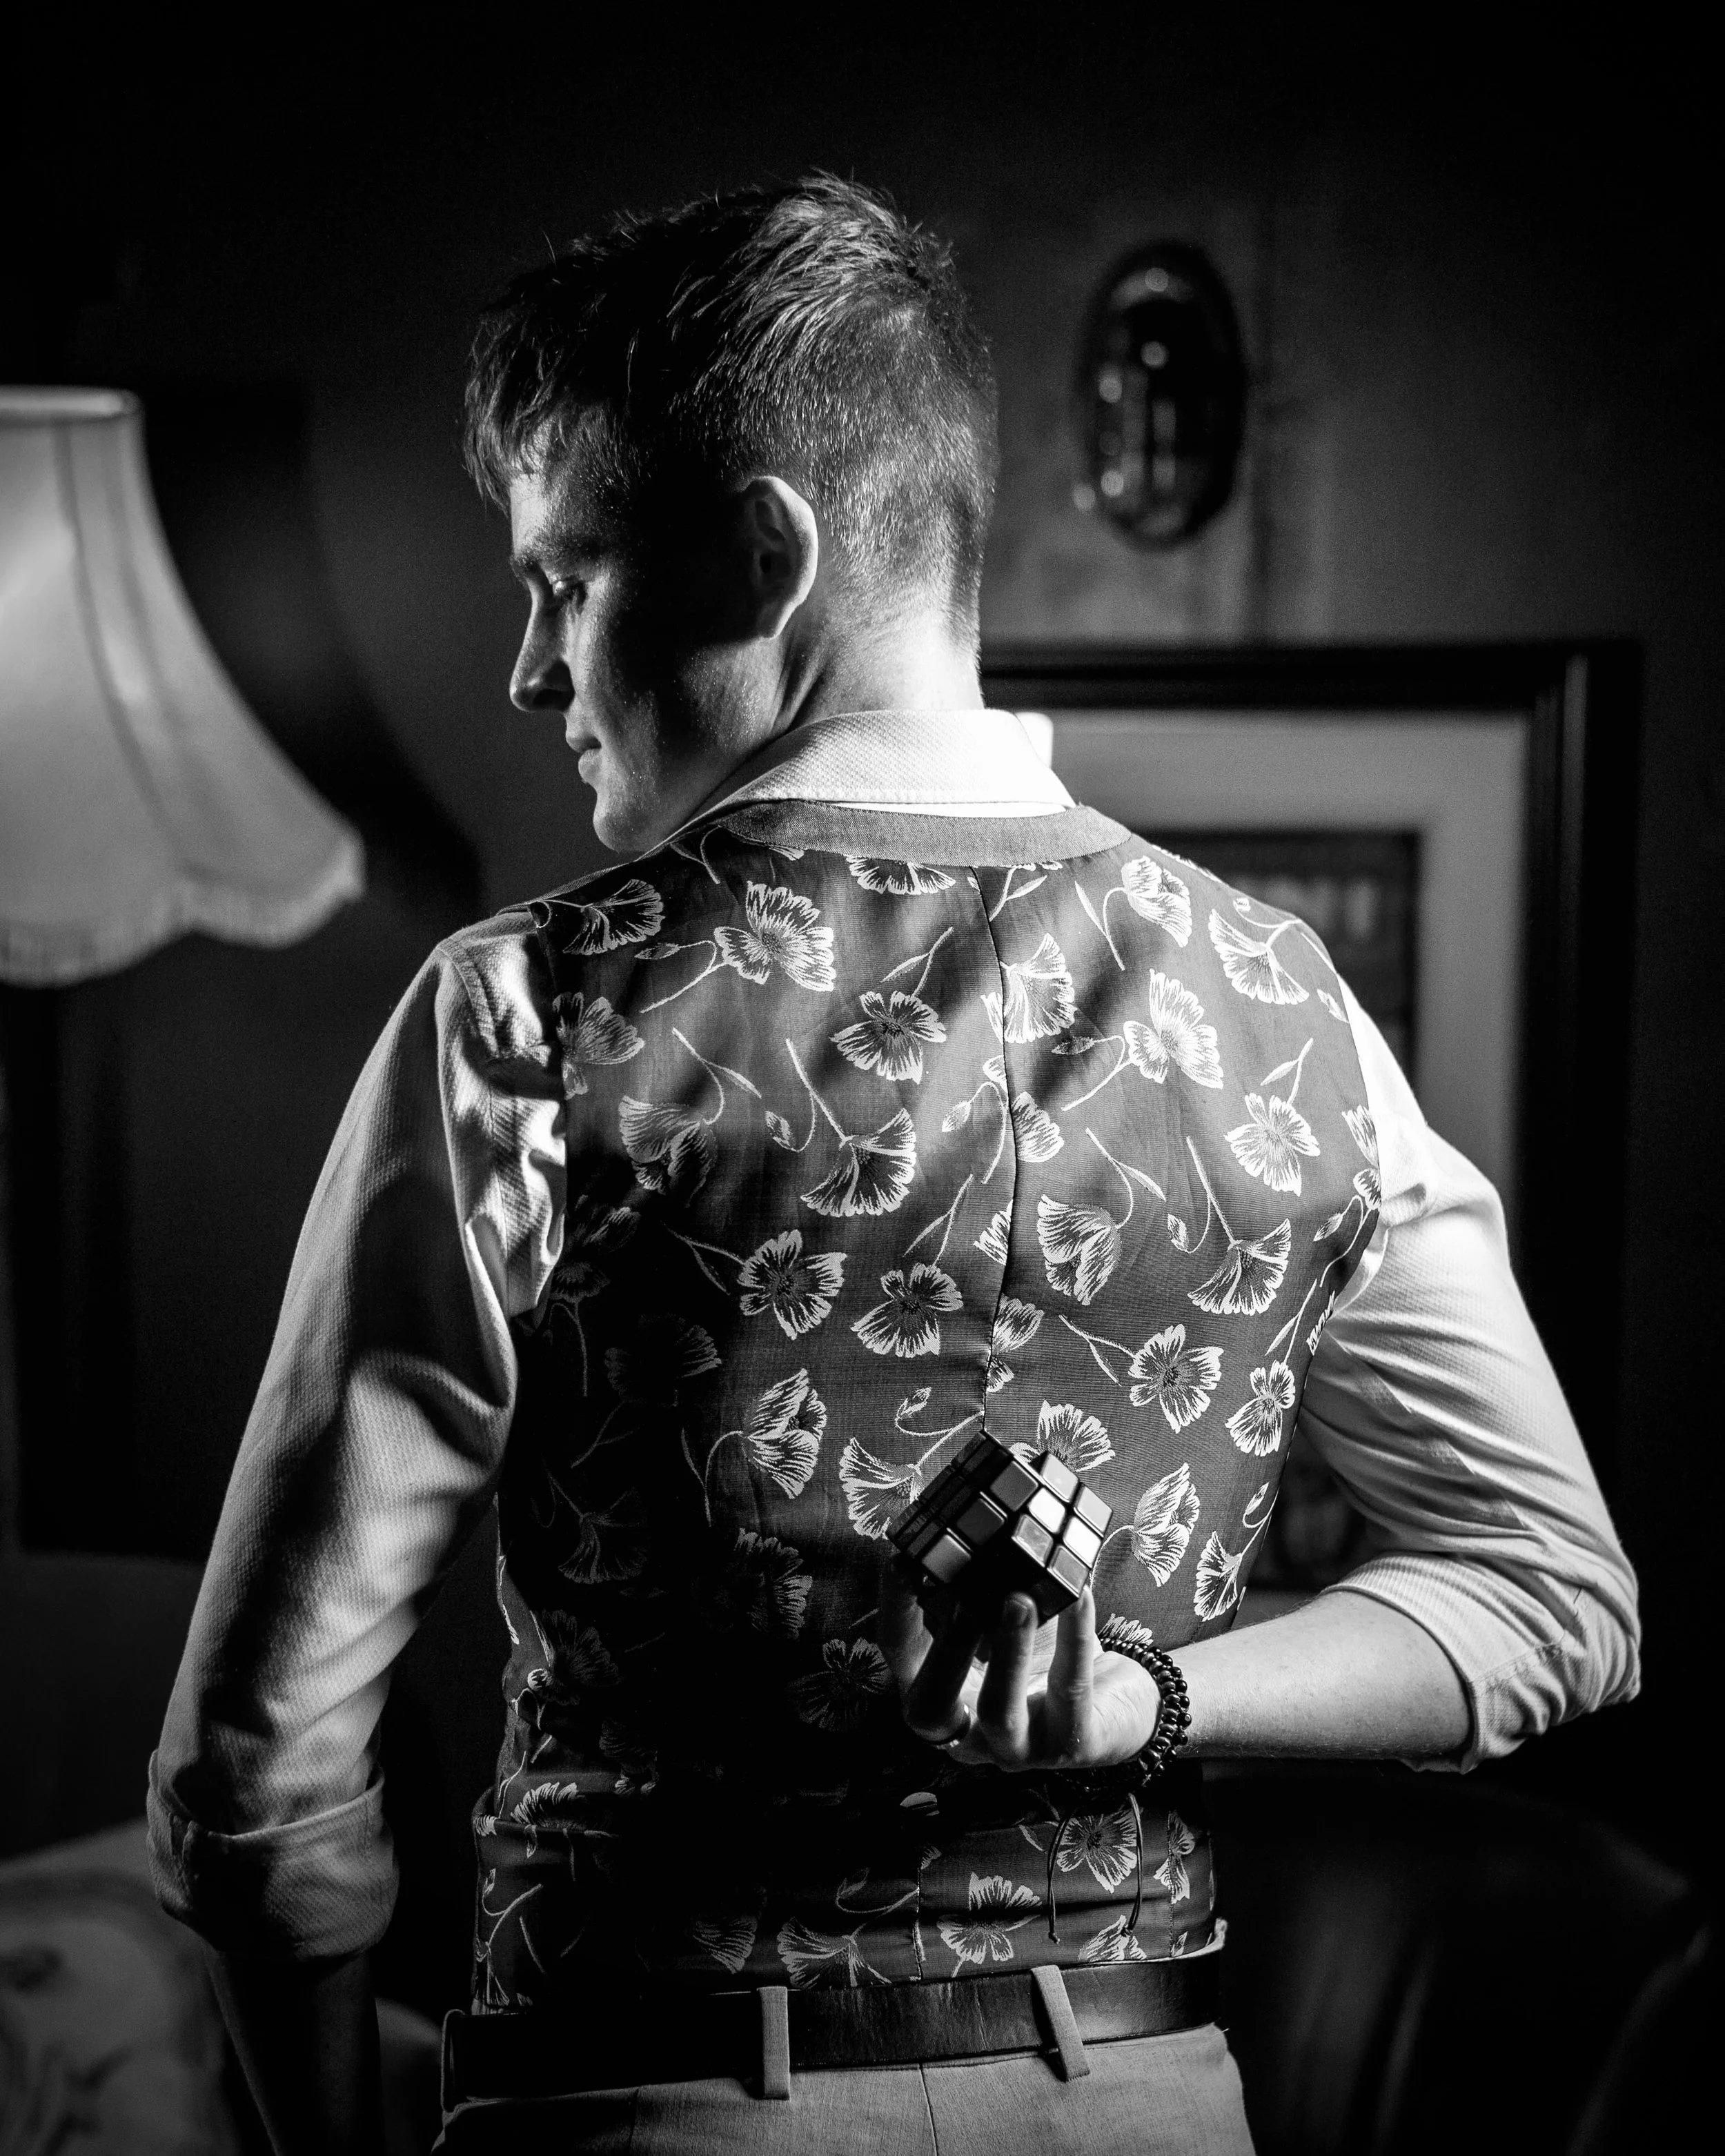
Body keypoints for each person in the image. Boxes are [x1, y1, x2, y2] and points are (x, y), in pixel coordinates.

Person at [148, 176, 1640, 2155]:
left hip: (649, 2103)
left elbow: (257, 1770)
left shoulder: (524, 1014)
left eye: (560, 576)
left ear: (762, 557)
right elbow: (1550, 1593)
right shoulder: (1294, 1016)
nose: (531, 671)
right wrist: (1143, 1709)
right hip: (1148, 2108)